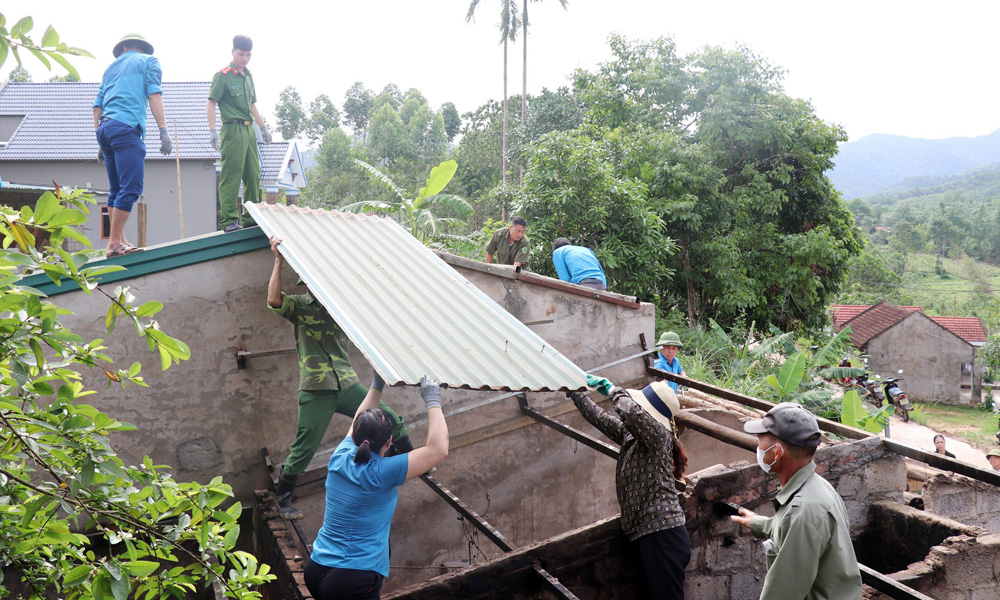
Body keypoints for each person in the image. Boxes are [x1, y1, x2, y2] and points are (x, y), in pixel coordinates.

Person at [268, 236, 411, 520]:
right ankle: (283, 500)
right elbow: (273, 299)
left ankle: (410, 460)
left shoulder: (342, 308)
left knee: (390, 418)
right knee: (304, 447)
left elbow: (367, 296)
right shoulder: (299, 306)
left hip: (346, 384)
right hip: (315, 388)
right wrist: (278, 259)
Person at [306, 374, 449, 600]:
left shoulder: (340, 455)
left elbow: (357, 420)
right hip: (352, 578)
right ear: (389, 442)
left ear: (357, 435)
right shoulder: (382, 472)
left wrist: (377, 384)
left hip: (316, 568)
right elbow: (438, 449)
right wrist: (432, 398)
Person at [571, 375, 690, 600]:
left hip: (663, 536)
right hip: (650, 536)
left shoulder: (659, 437)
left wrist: (612, 390)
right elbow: (600, 418)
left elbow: (631, 413)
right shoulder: (634, 437)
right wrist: (574, 392)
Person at [731, 402, 862, 600]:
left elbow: (782, 593)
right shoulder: (817, 487)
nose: (758, 447)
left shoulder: (803, 510)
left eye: (761, 440)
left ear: (777, 452)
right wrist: (760, 523)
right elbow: (794, 528)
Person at [93, 34, 171, 257]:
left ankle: (119, 241)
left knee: (116, 189)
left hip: (105, 128)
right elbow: (154, 95)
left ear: (124, 48)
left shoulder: (110, 69)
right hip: (126, 127)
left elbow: (97, 106)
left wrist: (99, 137)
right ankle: (114, 242)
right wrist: (163, 130)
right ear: (143, 49)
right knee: (132, 187)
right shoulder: (148, 61)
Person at [207, 35, 272, 233]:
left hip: (249, 129)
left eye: (248, 55)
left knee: (253, 174)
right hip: (232, 129)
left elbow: (252, 104)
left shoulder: (249, 76)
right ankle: (228, 220)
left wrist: (262, 127)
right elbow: (211, 102)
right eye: (241, 54)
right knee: (232, 174)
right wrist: (212, 130)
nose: (244, 58)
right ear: (233, 52)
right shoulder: (223, 75)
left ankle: (251, 217)